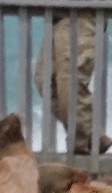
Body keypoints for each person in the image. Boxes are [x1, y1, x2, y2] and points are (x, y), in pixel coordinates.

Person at [37, 15, 106, 154]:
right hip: (59, 16)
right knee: (44, 81)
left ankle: (83, 147)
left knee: (70, 83)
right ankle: (90, 135)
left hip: (82, 15)